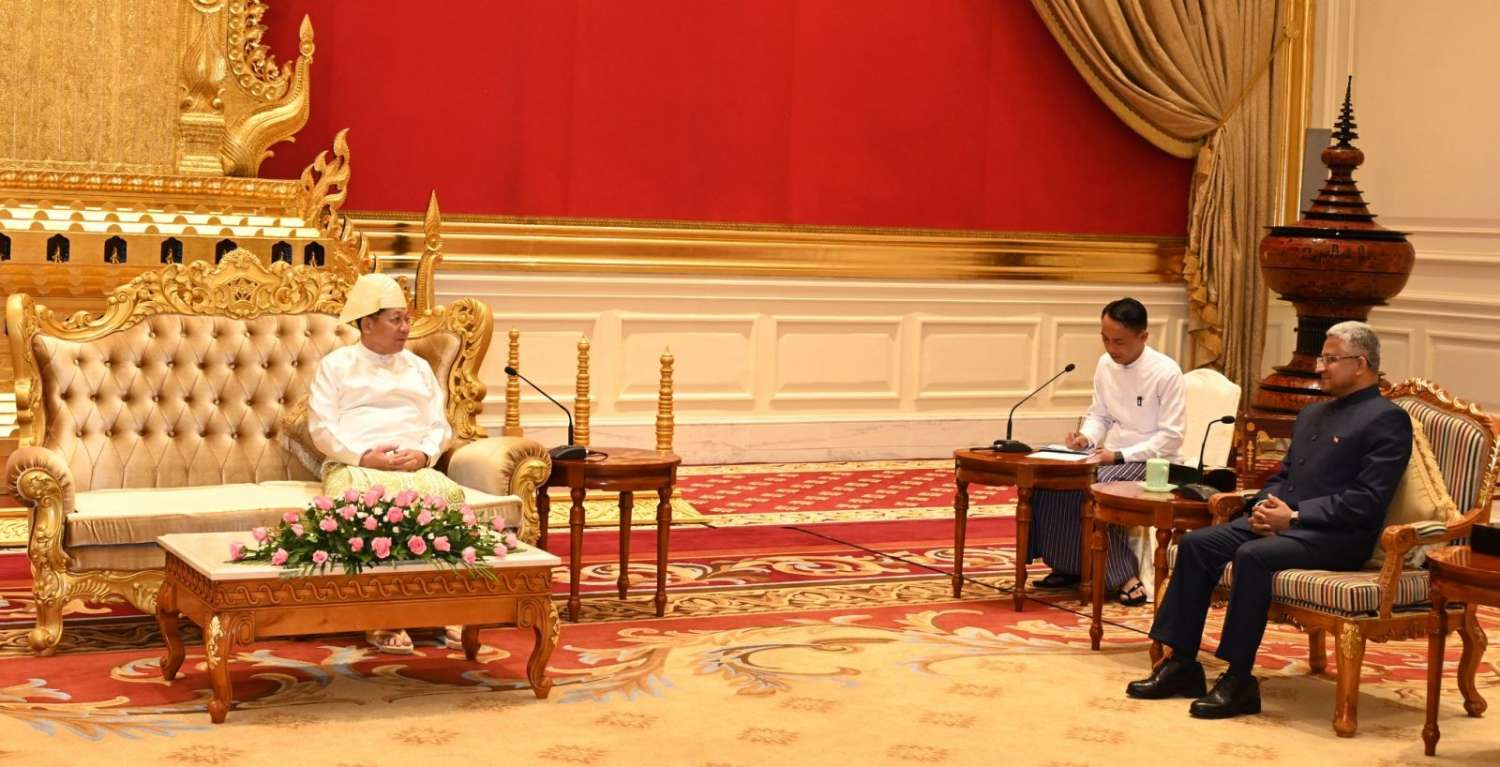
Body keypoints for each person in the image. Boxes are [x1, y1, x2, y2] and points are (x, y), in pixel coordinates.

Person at [1126, 321, 1411, 719]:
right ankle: (1182, 664)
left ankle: (1239, 678)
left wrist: (1293, 517)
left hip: (1337, 536)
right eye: (1322, 358)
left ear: (1361, 364)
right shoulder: (1312, 414)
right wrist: (1262, 506)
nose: (1320, 367)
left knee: (1253, 556)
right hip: (1282, 523)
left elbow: (1367, 500)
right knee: (1195, 544)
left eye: (1331, 359)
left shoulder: (1387, 419)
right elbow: (1283, 476)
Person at [309, 272, 461, 654]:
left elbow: (439, 425)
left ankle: (443, 608)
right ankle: (380, 615)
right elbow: (321, 428)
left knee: (448, 497)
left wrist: (424, 454)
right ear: (367, 323)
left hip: (414, 466)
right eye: (396, 320)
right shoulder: (336, 365)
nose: (406, 328)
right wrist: (364, 457)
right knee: (363, 506)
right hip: (354, 464)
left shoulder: (418, 367)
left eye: (407, 319)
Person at [1030, 297, 1186, 605]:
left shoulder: (1166, 372)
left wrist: (1119, 456)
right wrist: (1085, 439)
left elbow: (1171, 437)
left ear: (1143, 336)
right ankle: (1071, 565)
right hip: (1110, 455)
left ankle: (1122, 575)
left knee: (1094, 485)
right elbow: (1099, 415)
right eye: (1105, 339)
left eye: (1119, 341)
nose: (1111, 348)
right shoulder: (1105, 364)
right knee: (1051, 479)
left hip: (1154, 463)